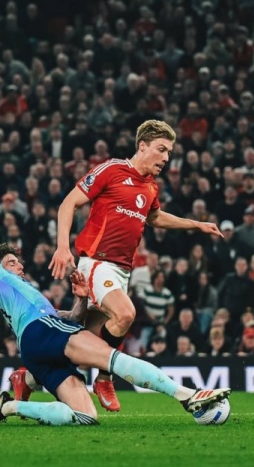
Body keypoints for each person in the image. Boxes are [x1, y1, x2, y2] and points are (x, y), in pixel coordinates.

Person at [0, 188, 230, 427]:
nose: (19, 266)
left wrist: (81, 299)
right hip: (41, 333)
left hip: (34, 348)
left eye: (18, 262)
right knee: (110, 356)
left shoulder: (25, 296)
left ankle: (9, 406)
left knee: (85, 416)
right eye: (12, 262)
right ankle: (187, 396)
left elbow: (70, 319)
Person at [47, 120, 222, 412]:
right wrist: (63, 247)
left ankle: (25, 378)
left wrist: (196, 224)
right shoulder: (111, 169)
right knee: (126, 314)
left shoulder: (151, 186)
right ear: (142, 146)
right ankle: (104, 378)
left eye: (169, 152)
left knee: (83, 343)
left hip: (121, 272)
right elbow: (68, 203)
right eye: (161, 149)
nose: (166, 158)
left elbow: (155, 217)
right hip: (97, 262)